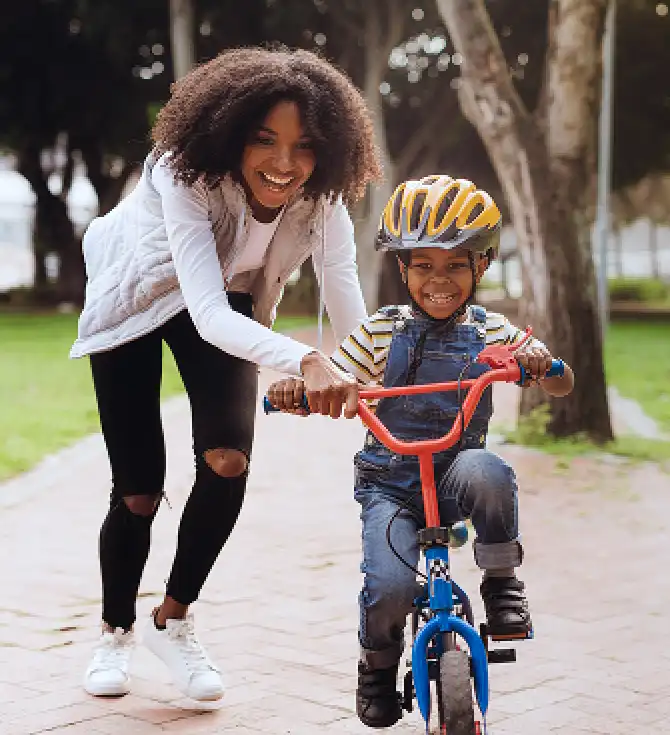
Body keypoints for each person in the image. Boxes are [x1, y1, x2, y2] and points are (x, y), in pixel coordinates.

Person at [70, 46, 382, 701]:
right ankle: (115, 629)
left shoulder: (322, 198)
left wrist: (369, 368)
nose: (283, 163)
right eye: (264, 140)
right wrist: (304, 356)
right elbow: (207, 314)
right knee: (138, 491)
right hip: (136, 299)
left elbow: (342, 283)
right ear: (231, 133)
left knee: (228, 457)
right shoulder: (181, 173)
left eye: (303, 147)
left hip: (224, 296)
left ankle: (172, 620)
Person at [266, 174, 575, 728]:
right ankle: (377, 665)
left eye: (455, 265)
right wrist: (302, 389)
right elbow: (336, 376)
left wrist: (540, 365)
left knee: (489, 469)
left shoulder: (493, 332)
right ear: (403, 269)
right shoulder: (382, 332)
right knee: (387, 588)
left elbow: (562, 383)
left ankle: (501, 581)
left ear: (481, 267)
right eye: (423, 266)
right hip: (392, 484)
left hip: (456, 475)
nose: (439, 280)